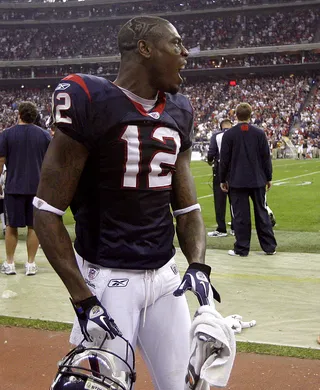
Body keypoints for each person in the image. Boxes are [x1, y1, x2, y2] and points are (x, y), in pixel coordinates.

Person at [33, 16, 220, 390]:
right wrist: (82, 299)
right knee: (105, 386)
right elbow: (46, 212)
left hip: (167, 280)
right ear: (145, 49)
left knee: (187, 386)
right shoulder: (91, 99)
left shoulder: (178, 110)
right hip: (108, 281)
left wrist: (198, 264)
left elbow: (188, 209)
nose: (185, 53)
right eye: (176, 44)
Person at [219, 102, 277, 257]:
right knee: (262, 213)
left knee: (241, 216)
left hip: (237, 181)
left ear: (235, 115)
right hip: (257, 179)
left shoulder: (229, 134)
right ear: (251, 115)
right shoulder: (259, 133)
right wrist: (268, 177)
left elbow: (224, 159)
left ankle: (242, 248)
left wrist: (222, 179)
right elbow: (266, 157)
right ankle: (269, 246)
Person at [0, 101, 51, 276]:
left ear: (19, 114)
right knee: (33, 227)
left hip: (14, 188)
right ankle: (30, 264)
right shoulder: (44, 135)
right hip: (37, 189)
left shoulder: (6, 134)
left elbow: (0, 163)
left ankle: (10, 263)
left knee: (11, 226)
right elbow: (51, 163)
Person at [207, 118, 234, 237]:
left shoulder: (216, 135)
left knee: (219, 200)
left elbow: (211, 153)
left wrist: (209, 161)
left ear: (221, 126)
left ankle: (221, 228)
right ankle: (235, 227)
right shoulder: (236, 134)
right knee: (235, 199)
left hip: (219, 169)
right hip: (234, 170)